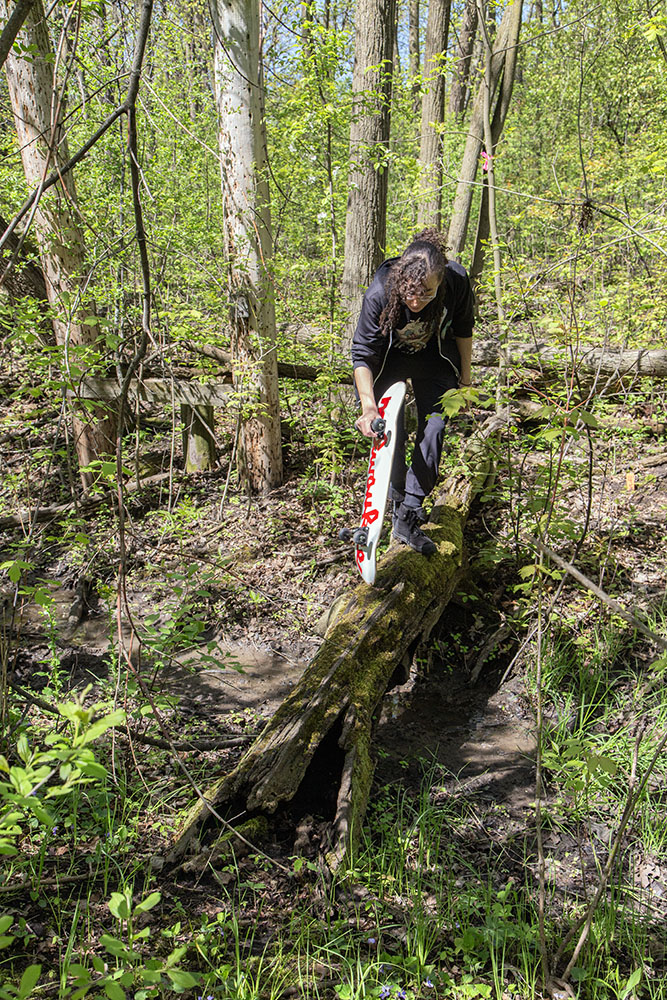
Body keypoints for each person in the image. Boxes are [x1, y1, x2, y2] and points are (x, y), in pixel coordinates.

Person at [351, 227, 475, 556]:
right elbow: (362, 354)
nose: (416, 301)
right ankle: (393, 502)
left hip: (434, 358)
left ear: (440, 283)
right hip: (389, 362)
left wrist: (465, 379)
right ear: (400, 279)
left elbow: (463, 329)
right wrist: (368, 408)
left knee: (435, 426)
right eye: (410, 293)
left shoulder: (456, 282)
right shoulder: (380, 291)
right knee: (390, 433)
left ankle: (408, 513)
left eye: (427, 293)